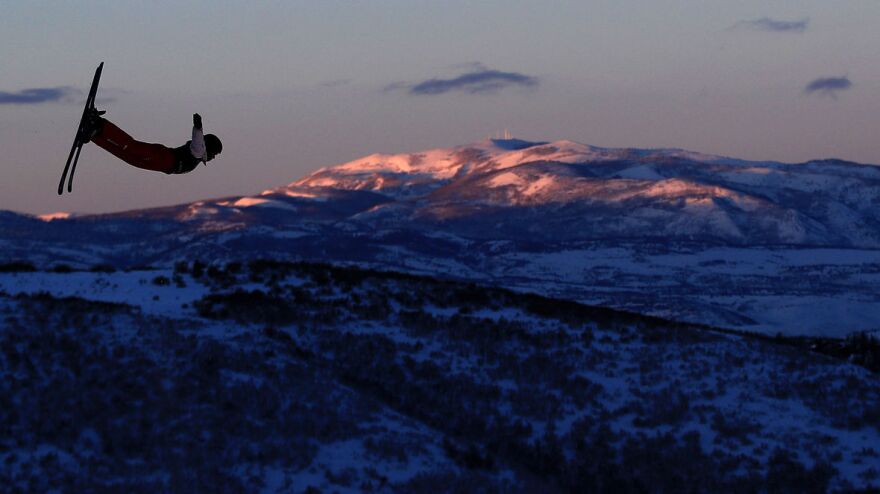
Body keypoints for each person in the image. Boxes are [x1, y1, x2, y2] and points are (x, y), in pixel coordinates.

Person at [82, 110, 222, 174]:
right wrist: (198, 127)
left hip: (163, 164)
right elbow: (198, 141)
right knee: (131, 147)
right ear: (208, 147)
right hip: (164, 157)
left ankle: (95, 135)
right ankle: (99, 125)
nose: (213, 157)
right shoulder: (199, 151)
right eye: (214, 154)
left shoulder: (199, 155)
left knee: (129, 156)